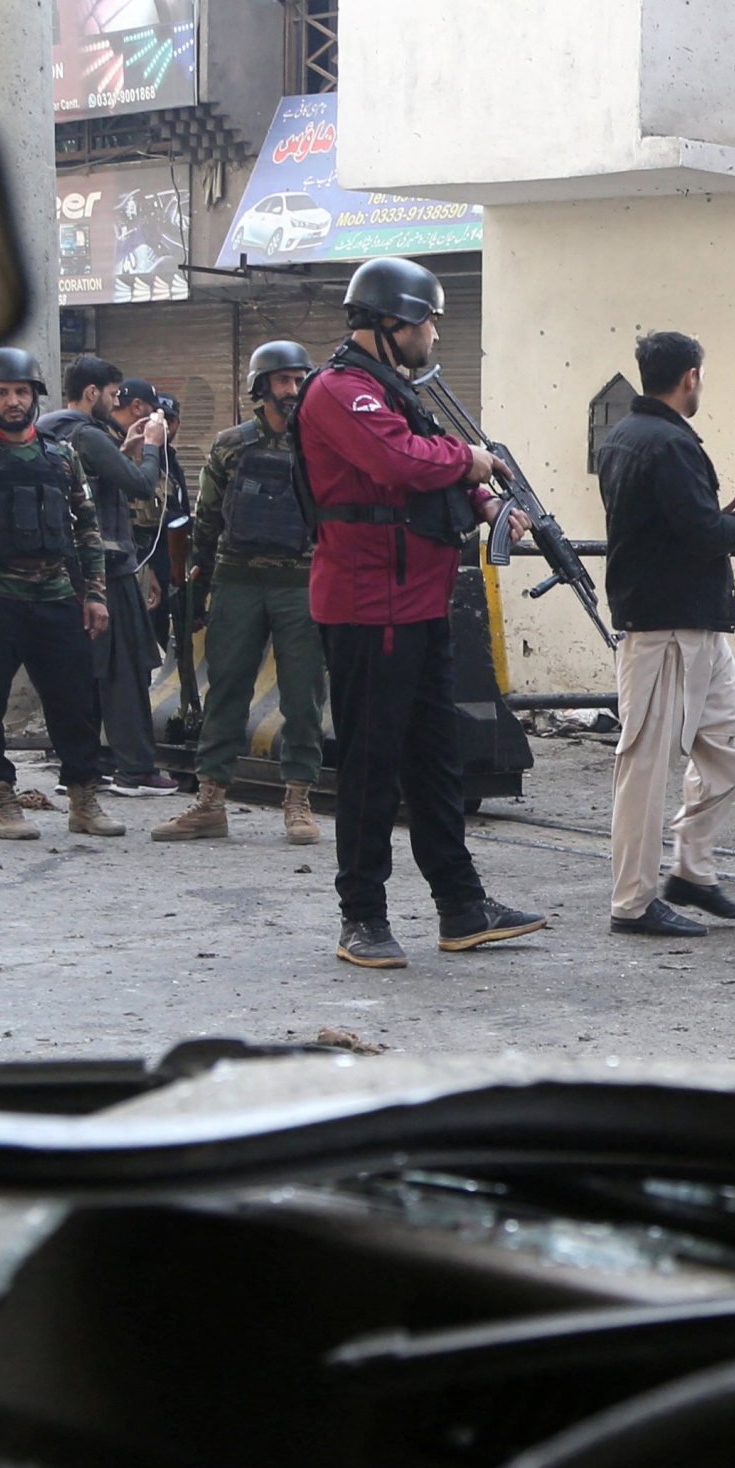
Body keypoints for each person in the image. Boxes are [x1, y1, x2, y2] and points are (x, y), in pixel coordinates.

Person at [300, 257, 545, 967]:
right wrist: (469, 460)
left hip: (419, 602)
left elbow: (435, 471)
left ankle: (461, 907)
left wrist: (487, 501)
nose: (435, 333)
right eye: (429, 320)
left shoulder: (392, 390)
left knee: (436, 763)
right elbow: (403, 463)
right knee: (371, 767)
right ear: (393, 321)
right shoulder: (341, 391)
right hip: (368, 606)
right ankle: (361, 917)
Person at [594, 329, 735, 938]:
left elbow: (679, 525)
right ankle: (632, 902)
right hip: (666, 627)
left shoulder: (628, 435)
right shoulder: (670, 444)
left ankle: (691, 868)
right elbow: (705, 536)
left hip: (691, 623)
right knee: (644, 767)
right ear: (691, 377)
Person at [0, 347, 125, 843]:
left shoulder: (60, 455)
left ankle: (83, 796)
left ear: (35, 395)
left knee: (76, 701)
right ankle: (0, 797)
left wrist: (95, 594)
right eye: (2, 392)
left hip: (55, 595)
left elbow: (87, 529)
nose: (13, 401)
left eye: (21, 391)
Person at [155, 340, 324, 845]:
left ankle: (298, 798)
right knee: (226, 691)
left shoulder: (321, 444)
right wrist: (196, 585)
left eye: (299, 380)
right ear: (261, 386)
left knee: (303, 695)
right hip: (237, 581)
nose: (292, 390)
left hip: (300, 584)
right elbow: (207, 518)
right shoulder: (232, 445)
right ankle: (210, 801)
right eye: (283, 380)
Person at [47, 355, 174, 792]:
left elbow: (92, 486)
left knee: (87, 670)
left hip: (70, 569)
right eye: (112, 394)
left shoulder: (53, 431)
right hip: (106, 570)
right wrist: (152, 445)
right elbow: (140, 485)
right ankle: (135, 768)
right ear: (91, 393)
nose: (115, 401)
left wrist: (124, 452)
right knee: (125, 668)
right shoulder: (86, 433)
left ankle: (84, 765)